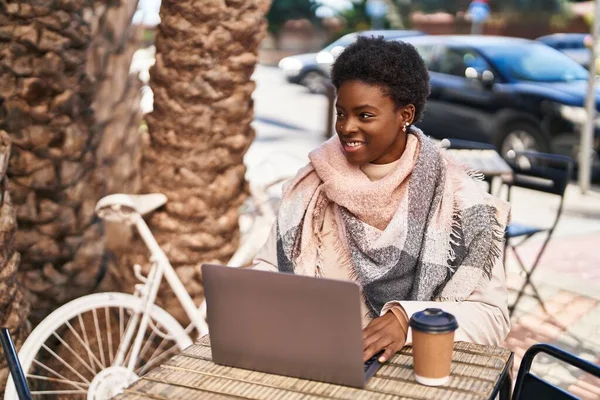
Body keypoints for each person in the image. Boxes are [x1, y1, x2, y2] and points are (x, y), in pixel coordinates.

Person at [253, 36, 510, 365]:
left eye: (365, 115)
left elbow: (492, 318)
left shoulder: (460, 199)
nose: (347, 127)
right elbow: (268, 266)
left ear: (406, 114)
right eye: (341, 113)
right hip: (316, 360)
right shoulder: (312, 183)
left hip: (408, 372)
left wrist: (408, 320)